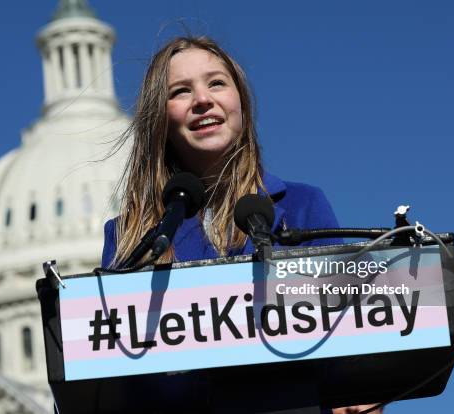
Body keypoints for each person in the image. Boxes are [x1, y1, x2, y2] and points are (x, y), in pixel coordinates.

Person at [101, 36, 382, 414]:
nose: (203, 99)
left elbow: (354, 333)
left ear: (242, 105)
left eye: (216, 82)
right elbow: (119, 376)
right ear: (160, 121)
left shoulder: (302, 206)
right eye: (181, 91)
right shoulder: (130, 235)